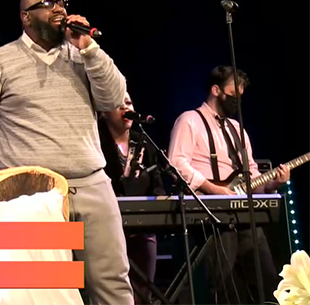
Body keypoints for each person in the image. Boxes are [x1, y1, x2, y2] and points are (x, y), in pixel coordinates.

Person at [0, 0, 134, 304]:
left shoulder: (83, 55)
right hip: (31, 195)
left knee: (113, 284)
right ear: (26, 18)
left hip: (91, 186)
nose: (59, 9)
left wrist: (90, 49)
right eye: (48, 4)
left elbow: (114, 98)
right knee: (45, 292)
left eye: (61, 3)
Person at [167, 65, 290, 304]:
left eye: (240, 97)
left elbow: (251, 174)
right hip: (212, 216)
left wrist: (273, 183)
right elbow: (177, 164)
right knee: (221, 284)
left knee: (266, 279)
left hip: (244, 214)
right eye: (233, 95)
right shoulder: (190, 120)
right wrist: (214, 190)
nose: (237, 101)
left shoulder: (237, 129)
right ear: (216, 90)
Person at [98, 92, 165, 304]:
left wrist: (161, 199)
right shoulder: (95, 145)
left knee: (143, 292)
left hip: (143, 227)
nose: (125, 107)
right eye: (118, 104)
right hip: (107, 226)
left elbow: (157, 185)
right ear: (104, 113)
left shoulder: (143, 141)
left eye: (128, 102)